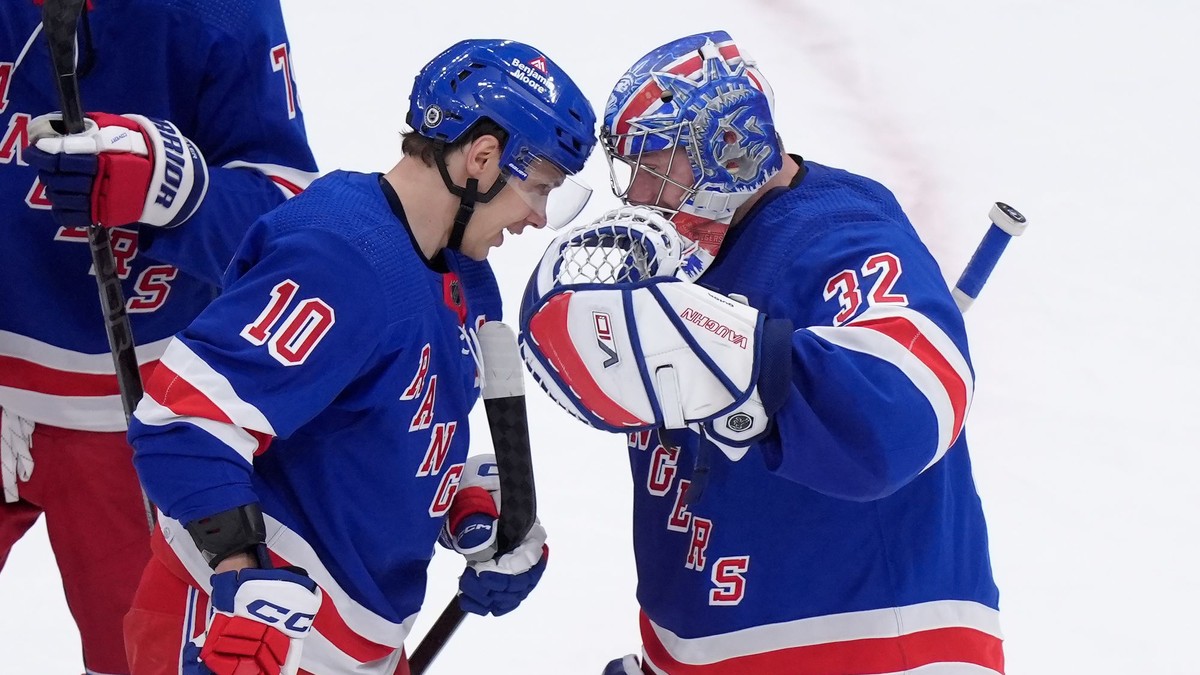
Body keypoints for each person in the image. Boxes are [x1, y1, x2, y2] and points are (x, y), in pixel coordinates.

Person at [519, 31, 1004, 674]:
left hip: (870, 650)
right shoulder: (684, 258)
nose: (639, 193)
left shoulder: (839, 235)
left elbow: (906, 411)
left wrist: (749, 363)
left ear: (729, 146)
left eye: (657, 164)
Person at [124, 38, 596, 674]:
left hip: (360, 647)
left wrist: (464, 509)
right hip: (245, 637)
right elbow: (185, 423)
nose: (538, 217)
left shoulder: (466, 274)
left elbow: (371, 425)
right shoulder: (340, 256)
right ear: (482, 160)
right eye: (538, 187)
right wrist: (244, 583)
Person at [0, 1, 317, 672]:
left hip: (137, 422)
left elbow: (291, 223)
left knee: (143, 661)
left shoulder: (220, 13)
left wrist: (181, 191)